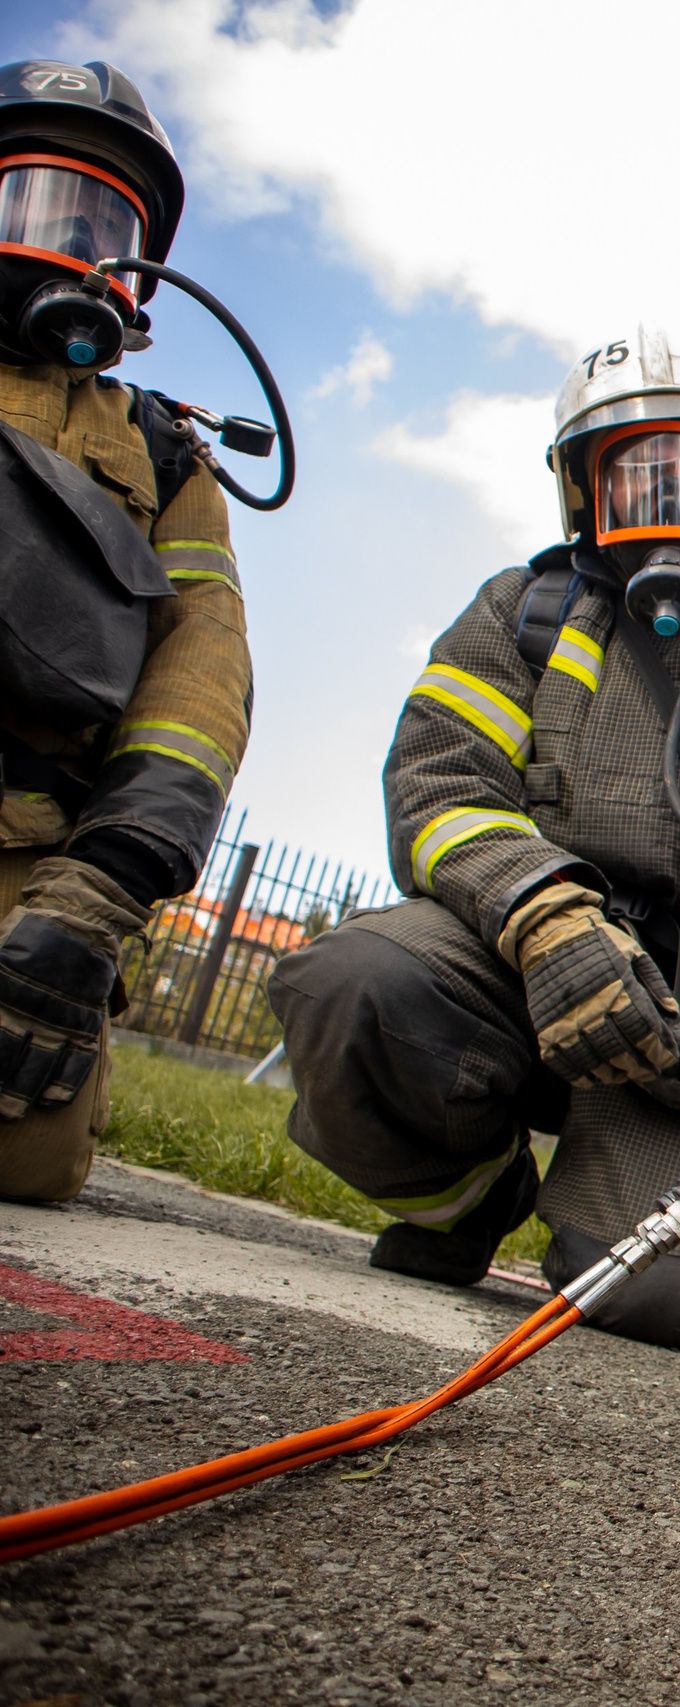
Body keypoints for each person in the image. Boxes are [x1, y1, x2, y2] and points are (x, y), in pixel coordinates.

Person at [269, 330, 680, 1349]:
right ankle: (471, 1202)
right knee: (353, 987)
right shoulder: (520, 615)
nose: (671, 505)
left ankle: (625, 1209)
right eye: (638, 480)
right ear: (583, 498)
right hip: (520, 973)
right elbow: (438, 783)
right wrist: (546, 917)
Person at [0, 62, 251, 1201]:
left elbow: (202, 677)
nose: (70, 245)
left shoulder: (163, 455)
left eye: (103, 224)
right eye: (33, 202)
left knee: (23, 1154)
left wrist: (99, 889)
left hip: (32, 855)